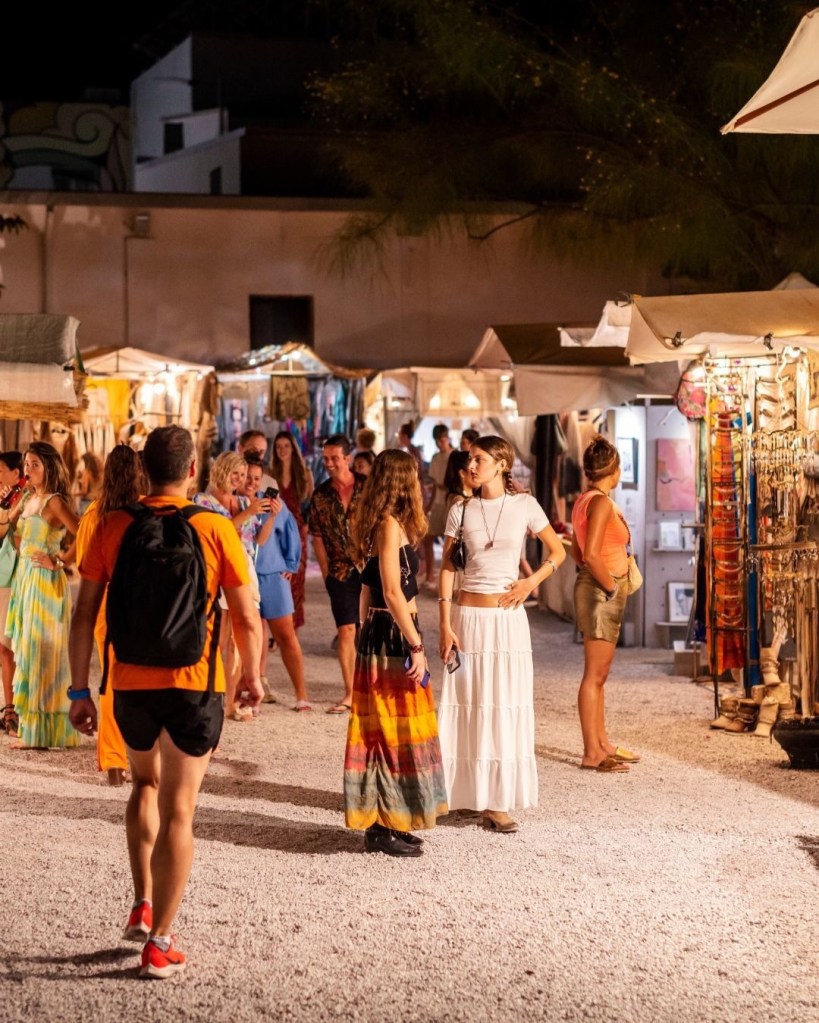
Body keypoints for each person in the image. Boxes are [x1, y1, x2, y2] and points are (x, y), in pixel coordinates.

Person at [68, 425, 263, 980]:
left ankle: (141, 903)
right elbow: (247, 616)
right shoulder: (215, 528)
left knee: (143, 786)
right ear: (194, 469)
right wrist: (250, 675)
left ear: (144, 470)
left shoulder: (111, 525)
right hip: (193, 682)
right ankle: (159, 942)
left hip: (128, 682)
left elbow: (85, 615)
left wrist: (81, 689)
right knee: (180, 808)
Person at [437, 435, 565, 833]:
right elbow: (447, 568)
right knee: (466, 703)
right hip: (467, 618)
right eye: (470, 460)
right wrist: (443, 623)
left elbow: (557, 551)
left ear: (501, 463)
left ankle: (496, 800)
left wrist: (532, 584)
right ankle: (456, 792)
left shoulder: (525, 505)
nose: (471, 466)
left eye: (478, 459)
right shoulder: (460, 509)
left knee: (501, 704)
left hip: (507, 621)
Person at [346, 449, 448, 856]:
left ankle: (397, 816)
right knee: (387, 730)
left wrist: (361, 631)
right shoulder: (388, 526)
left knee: (400, 729)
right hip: (394, 633)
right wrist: (416, 644)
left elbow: (369, 588)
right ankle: (381, 824)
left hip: (387, 631)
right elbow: (389, 591)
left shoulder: (387, 525)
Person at [74, 445, 147, 786]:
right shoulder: (147, 512)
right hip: (144, 610)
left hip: (105, 609)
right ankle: (145, 760)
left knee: (111, 685)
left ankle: (115, 764)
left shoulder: (94, 516)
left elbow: (84, 567)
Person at [2, 441, 81, 750]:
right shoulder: (27, 497)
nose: (29, 469)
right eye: (27, 463)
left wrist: (60, 560)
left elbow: (83, 532)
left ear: (48, 466)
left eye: (35, 464)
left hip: (47, 583)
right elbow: (9, 526)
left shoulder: (55, 502)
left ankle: (41, 731)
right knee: (27, 652)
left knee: (43, 653)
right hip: (25, 579)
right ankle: (34, 728)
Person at [570, 434, 640, 773]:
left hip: (596, 586)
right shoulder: (600, 503)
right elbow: (591, 553)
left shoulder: (585, 499)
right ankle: (591, 752)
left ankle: (601, 742)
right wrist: (611, 586)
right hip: (602, 589)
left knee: (600, 673)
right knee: (594, 675)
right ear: (614, 470)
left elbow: (576, 549)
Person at [194, 451, 273, 719]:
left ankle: (231, 701)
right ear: (221, 471)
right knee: (219, 635)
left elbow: (257, 541)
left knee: (241, 638)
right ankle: (215, 698)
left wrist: (270, 516)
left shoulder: (242, 500)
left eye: (242, 475)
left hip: (244, 569)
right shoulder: (203, 500)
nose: (239, 479)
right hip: (218, 569)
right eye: (235, 473)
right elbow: (219, 532)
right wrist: (249, 511)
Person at [241, 459, 311, 711]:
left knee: (286, 635)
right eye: (246, 476)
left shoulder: (273, 505)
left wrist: (290, 566)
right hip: (244, 578)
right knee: (251, 638)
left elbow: (292, 533)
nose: (251, 482)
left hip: (272, 575)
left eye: (256, 478)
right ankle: (251, 694)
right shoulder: (233, 503)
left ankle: (301, 694)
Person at [308, 434, 366, 713]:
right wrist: (326, 570)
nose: (329, 463)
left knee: (369, 629)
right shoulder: (320, 495)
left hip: (370, 567)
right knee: (346, 629)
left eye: (334, 458)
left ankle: (375, 689)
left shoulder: (368, 487)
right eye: (326, 458)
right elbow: (316, 535)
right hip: (340, 571)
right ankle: (350, 693)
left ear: (347, 458)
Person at [270, 430, 314, 629]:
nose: (282, 450)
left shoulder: (305, 474)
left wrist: (307, 525)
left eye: (286, 446)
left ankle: (293, 625)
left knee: (296, 578)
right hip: (276, 532)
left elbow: (312, 504)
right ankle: (279, 624)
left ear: (293, 448)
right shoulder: (270, 474)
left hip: (297, 532)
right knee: (278, 577)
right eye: (278, 446)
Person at [0, 450, 22, 736]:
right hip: (4, 575)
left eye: (2, 470)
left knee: (7, 647)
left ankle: (12, 709)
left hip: (11, 577)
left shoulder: (20, 500)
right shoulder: (7, 498)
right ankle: (9, 708)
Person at [422, 423, 453, 590]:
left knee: (450, 541)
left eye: (441, 439)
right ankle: (430, 575)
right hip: (438, 502)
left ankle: (448, 576)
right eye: (437, 440)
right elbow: (434, 484)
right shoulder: (435, 458)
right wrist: (429, 505)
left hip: (450, 501)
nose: (439, 443)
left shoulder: (453, 456)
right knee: (428, 538)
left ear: (447, 438)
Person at [74, 451, 103, 516]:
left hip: (87, 503)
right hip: (98, 503)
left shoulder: (87, 472)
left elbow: (84, 491)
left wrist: (73, 494)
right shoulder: (101, 474)